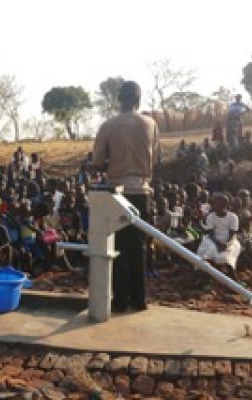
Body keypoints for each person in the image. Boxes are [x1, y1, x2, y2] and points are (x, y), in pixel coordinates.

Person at [92, 80, 159, 312]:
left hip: (117, 193)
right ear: (139, 100)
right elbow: (155, 158)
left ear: (119, 99)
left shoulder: (108, 126)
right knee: (138, 246)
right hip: (142, 191)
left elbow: (98, 163)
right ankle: (139, 299)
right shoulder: (150, 124)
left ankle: (120, 301)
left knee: (118, 247)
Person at [196, 193, 241, 276]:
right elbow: (211, 234)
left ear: (225, 205)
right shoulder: (210, 216)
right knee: (210, 250)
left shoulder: (233, 217)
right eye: (214, 203)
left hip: (229, 239)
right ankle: (204, 274)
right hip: (213, 238)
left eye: (218, 203)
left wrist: (227, 243)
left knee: (229, 254)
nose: (215, 205)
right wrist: (217, 243)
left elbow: (233, 234)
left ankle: (233, 276)